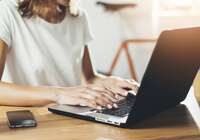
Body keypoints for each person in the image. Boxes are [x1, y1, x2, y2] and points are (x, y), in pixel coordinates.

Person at [0, 0, 138, 110]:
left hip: (72, 116)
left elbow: (89, 77)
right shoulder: (7, 11)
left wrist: (109, 81)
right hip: (31, 119)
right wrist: (59, 94)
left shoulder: (79, 17)